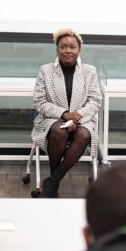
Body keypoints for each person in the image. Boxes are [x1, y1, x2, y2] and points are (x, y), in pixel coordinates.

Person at [31, 28, 102, 198]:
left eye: (72, 47)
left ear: (79, 50)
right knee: (59, 131)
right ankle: (53, 184)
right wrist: (64, 114)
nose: (68, 51)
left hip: (83, 120)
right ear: (57, 49)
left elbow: (95, 100)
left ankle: (53, 181)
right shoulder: (45, 70)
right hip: (52, 119)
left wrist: (76, 119)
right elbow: (39, 101)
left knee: (84, 135)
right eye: (63, 47)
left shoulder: (89, 71)